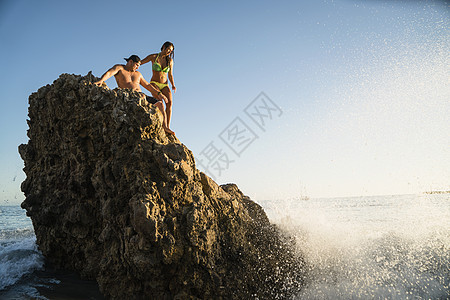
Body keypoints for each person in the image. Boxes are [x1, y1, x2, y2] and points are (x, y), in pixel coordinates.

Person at [94, 55, 174, 135]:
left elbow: (147, 85)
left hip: (142, 95)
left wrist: (160, 94)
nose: (138, 68)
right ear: (130, 62)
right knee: (142, 99)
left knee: (160, 104)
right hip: (130, 96)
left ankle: (165, 127)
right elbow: (109, 73)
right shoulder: (120, 68)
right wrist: (101, 80)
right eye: (137, 65)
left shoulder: (138, 74)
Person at [140, 42, 176, 131]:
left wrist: (173, 85)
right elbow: (140, 62)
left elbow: (170, 75)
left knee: (169, 103)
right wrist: (131, 66)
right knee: (160, 102)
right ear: (164, 47)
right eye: (168, 49)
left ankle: (167, 126)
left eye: (171, 51)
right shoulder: (154, 57)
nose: (169, 52)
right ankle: (161, 124)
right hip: (154, 83)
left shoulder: (170, 61)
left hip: (165, 84)